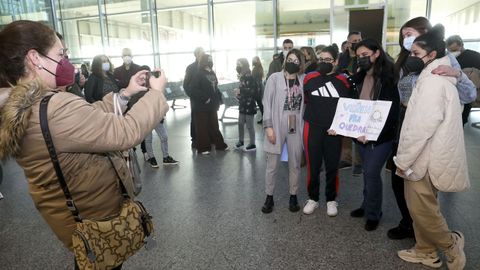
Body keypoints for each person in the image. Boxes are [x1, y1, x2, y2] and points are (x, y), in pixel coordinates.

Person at [0, 20, 168, 269]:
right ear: (35, 58)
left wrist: (125, 94)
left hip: (74, 213)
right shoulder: (53, 106)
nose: (67, 61)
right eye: (61, 54)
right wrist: (156, 94)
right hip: (93, 216)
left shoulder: (32, 103)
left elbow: (86, 118)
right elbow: (125, 132)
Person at [388, 16, 477, 241]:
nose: (405, 39)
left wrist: (458, 74)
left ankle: (427, 232)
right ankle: (408, 222)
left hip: (429, 128)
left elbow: (468, 95)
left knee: (423, 186)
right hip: (404, 123)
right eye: (403, 35)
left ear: (425, 34)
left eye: (410, 34)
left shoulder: (444, 61)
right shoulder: (405, 59)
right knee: (399, 179)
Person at [348, 39, 399, 231]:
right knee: (367, 173)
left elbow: (391, 112)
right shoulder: (359, 76)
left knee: (371, 173)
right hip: (360, 134)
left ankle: (374, 213)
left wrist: (373, 134)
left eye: (365, 55)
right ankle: (366, 205)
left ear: (377, 53)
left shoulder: (389, 77)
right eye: (358, 56)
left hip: (381, 136)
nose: (361, 59)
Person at [302, 46, 353, 217]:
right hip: (313, 127)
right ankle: (313, 198)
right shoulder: (309, 78)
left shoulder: (343, 80)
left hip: (334, 131)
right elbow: (307, 100)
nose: (324, 62)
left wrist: (339, 126)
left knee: (332, 166)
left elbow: (348, 106)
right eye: (321, 59)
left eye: (328, 60)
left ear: (336, 61)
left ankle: (331, 199)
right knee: (313, 165)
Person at [261, 49, 305, 214]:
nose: (292, 62)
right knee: (272, 164)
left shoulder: (303, 80)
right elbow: (267, 103)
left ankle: (293, 195)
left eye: (295, 60)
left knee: (295, 162)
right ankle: (269, 196)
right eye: (289, 59)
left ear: (300, 64)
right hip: (277, 123)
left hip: (296, 123)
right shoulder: (274, 78)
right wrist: (269, 127)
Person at [127, 65, 179, 167]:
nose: (145, 78)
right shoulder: (138, 89)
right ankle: (151, 158)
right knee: (148, 139)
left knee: (164, 137)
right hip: (146, 120)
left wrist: (162, 114)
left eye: (147, 75)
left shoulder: (155, 87)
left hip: (157, 119)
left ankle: (166, 157)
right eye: (142, 76)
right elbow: (132, 104)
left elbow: (161, 101)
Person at [190, 54, 229, 155]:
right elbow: (192, 89)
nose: (210, 62)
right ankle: (203, 148)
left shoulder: (212, 72)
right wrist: (205, 98)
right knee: (202, 127)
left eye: (211, 60)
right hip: (201, 106)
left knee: (214, 126)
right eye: (208, 60)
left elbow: (215, 87)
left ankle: (220, 145)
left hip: (212, 106)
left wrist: (218, 99)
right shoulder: (198, 74)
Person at [446, 35, 480, 125]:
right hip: (453, 91)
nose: (452, 53)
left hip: (469, 91)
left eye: (454, 50)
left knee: (461, 118)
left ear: (461, 45)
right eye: (450, 50)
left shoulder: (475, 57)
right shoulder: (448, 58)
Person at [183, 47, 205, 148]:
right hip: (195, 98)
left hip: (206, 97)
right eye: (201, 53)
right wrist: (192, 95)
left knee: (206, 117)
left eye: (203, 53)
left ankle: (207, 137)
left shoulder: (206, 66)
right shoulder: (190, 68)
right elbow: (185, 84)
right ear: (196, 55)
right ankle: (194, 139)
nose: (203, 55)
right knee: (195, 118)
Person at [234, 58, 257, 151]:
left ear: (244, 65)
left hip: (249, 104)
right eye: (237, 64)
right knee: (240, 123)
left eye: (239, 64)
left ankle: (252, 144)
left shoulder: (249, 76)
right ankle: (241, 141)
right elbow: (243, 89)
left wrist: (240, 91)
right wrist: (238, 94)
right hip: (243, 104)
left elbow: (253, 91)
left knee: (249, 125)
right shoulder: (242, 76)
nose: (237, 66)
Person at [252, 56, 265, 124]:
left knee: (260, 104)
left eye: (255, 60)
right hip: (259, 87)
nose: (254, 61)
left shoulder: (256, 68)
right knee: (260, 104)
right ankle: (264, 118)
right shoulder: (259, 67)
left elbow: (255, 79)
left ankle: (264, 118)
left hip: (258, 88)